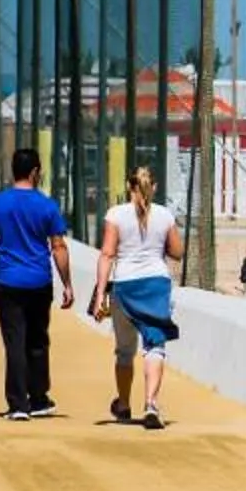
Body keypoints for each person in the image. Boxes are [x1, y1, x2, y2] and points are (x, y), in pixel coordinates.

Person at [0, 146, 74, 421]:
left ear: (14, 171)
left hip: (8, 282)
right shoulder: (47, 205)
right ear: (35, 172)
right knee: (38, 340)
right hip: (39, 282)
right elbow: (59, 247)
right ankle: (39, 398)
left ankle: (18, 404)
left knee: (14, 342)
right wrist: (67, 284)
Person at [90, 163, 182, 429]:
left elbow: (107, 254)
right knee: (155, 345)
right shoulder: (164, 215)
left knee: (124, 350)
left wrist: (99, 295)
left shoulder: (116, 215)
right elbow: (177, 251)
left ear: (129, 187)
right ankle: (151, 404)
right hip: (156, 284)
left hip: (125, 285)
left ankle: (123, 403)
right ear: (153, 187)